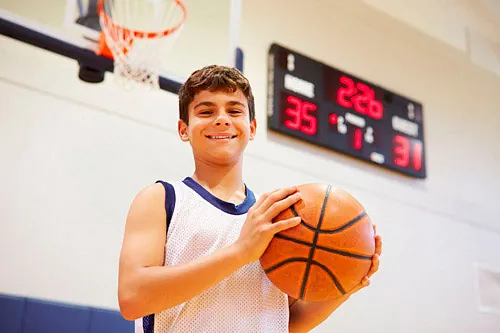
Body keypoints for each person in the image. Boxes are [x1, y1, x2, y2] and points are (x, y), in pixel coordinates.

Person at [118, 65, 382, 333]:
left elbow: (285, 322)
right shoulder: (161, 198)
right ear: (183, 129)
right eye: (206, 111)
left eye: (234, 111)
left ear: (252, 127)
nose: (222, 119)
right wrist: (240, 252)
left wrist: (347, 283)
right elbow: (132, 298)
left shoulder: (276, 216)